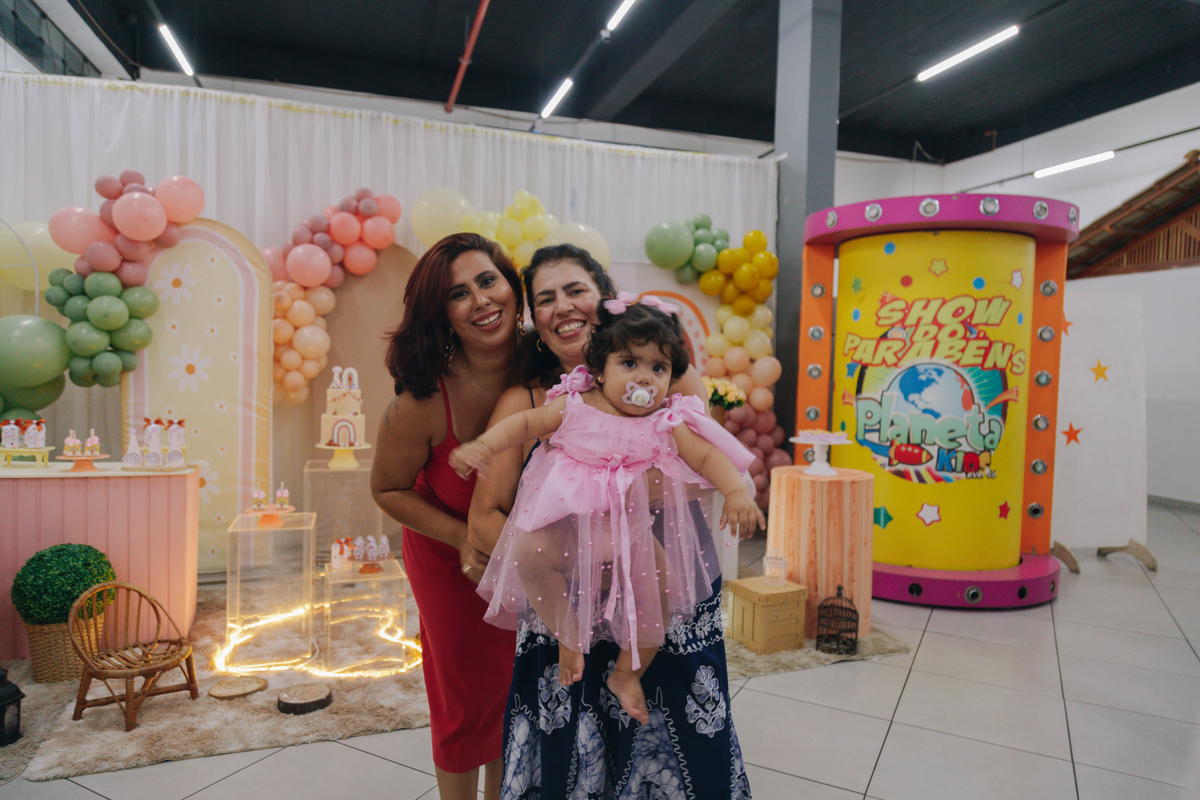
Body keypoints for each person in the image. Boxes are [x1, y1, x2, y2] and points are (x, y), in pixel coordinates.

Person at [467, 243, 755, 798]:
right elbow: (485, 519)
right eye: (545, 298)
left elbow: (702, 468)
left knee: (677, 747)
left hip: (659, 593)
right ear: (534, 321)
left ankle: (632, 674)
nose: (562, 306)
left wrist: (622, 508)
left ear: (604, 299)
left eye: (575, 290)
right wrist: (574, 568)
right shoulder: (537, 401)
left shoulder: (669, 390)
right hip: (564, 613)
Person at [371, 232, 523, 800]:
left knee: (518, 696)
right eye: (459, 294)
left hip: (529, 557)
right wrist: (464, 538)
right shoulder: (421, 400)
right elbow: (387, 488)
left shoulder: (547, 364)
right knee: (465, 701)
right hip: (449, 559)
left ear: (512, 285)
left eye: (488, 280)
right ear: (442, 315)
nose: (481, 301)